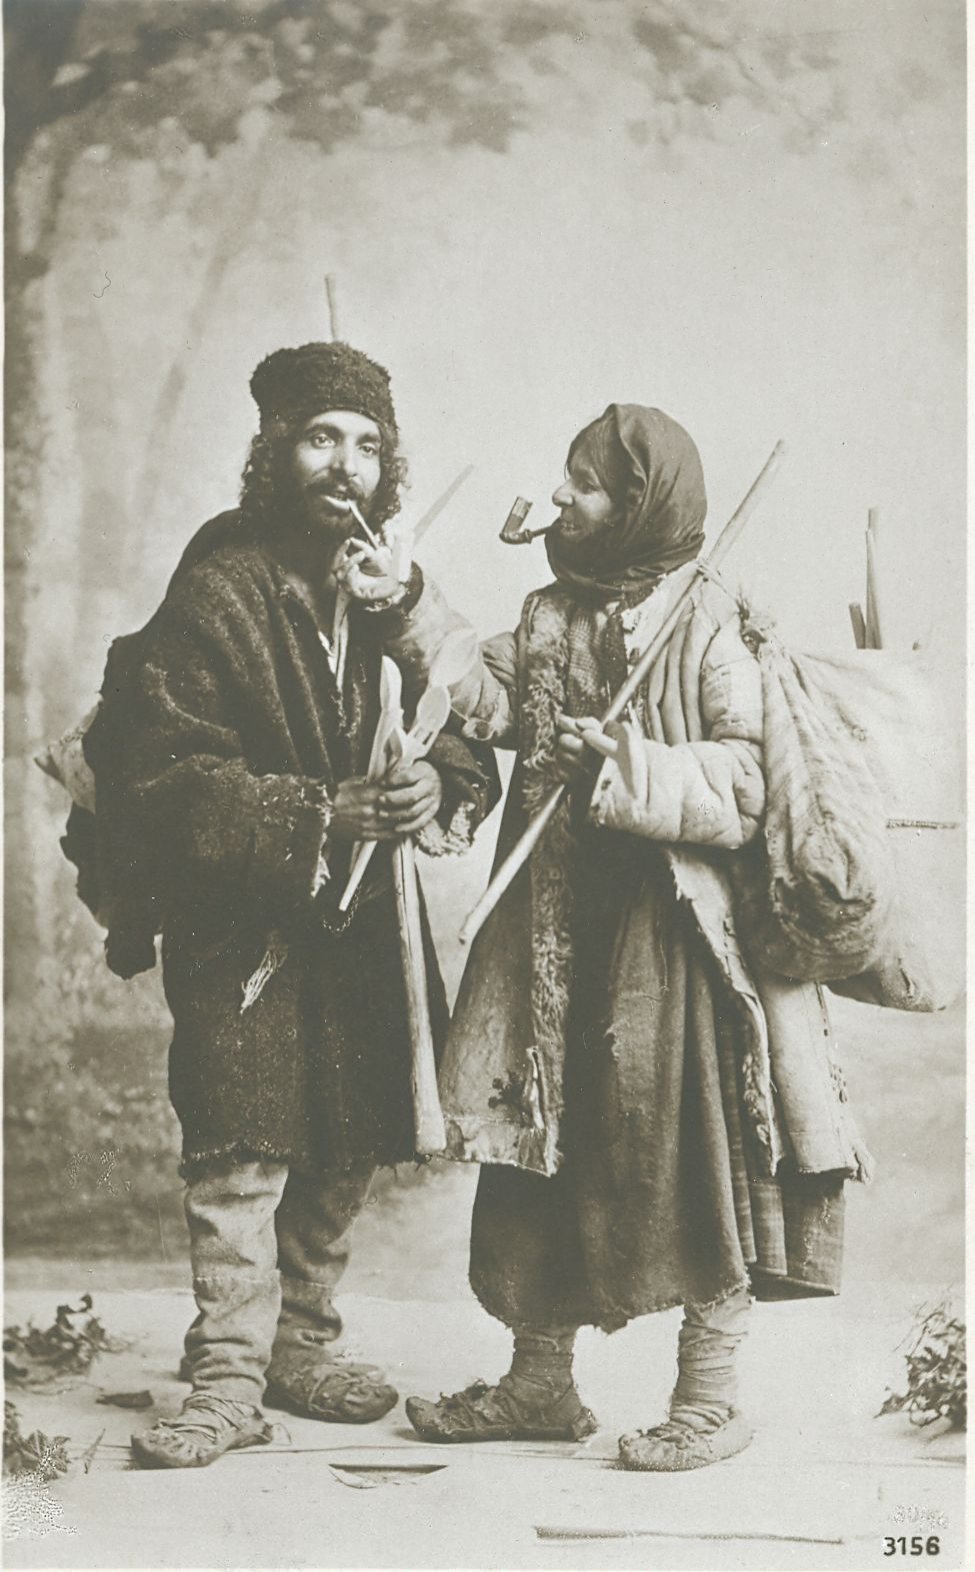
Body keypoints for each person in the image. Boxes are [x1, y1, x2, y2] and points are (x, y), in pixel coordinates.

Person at [338, 402, 870, 1471]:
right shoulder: (549, 613)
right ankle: (540, 1382)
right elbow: (484, 699)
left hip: (672, 941)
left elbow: (750, 781)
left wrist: (625, 767)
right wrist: (406, 604)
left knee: (677, 1156)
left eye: (584, 482)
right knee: (541, 1143)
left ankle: (711, 1397)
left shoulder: (707, 620)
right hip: (550, 929)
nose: (563, 497)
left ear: (637, 504)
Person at [81, 342, 499, 1468]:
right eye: (322, 438)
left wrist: (431, 779)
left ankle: (302, 1344)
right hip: (247, 920)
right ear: (275, 452)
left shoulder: (385, 589)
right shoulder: (218, 589)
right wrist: (324, 811)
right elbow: (163, 777)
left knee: (344, 1133)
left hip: (365, 922)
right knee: (241, 1143)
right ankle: (224, 1373)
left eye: (368, 445)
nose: (346, 466)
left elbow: (461, 720)